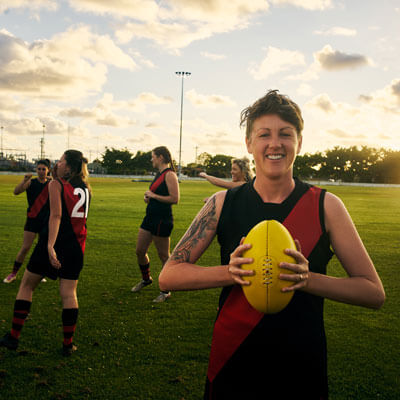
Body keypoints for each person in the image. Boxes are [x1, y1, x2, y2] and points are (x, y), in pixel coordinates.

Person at [159, 90, 385, 399]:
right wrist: (231, 272)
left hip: (300, 363)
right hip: (232, 359)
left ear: (299, 143)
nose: (275, 143)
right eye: (264, 134)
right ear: (249, 144)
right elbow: (169, 275)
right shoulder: (222, 203)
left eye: (286, 134)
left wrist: (307, 279)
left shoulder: (326, 205)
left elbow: (373, 292)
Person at [0, 150, 91, 356]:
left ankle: (13, 337)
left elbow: (56, 216)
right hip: (76, 246)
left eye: (60, 161)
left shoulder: (56, 184)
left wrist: (50, 246)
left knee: (26, 285)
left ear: (68, 167)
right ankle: (68, 345)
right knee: (69, 294)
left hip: (54, 243)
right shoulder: (86, 187)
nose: (56, 164)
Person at [131, 146, 180, 303]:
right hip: (149, 218)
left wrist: (154, 195)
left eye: (153, 156)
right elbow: (157, 194)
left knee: (163, 255)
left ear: (160, 157)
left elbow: (174, 199)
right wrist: (148, 197)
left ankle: (166, 290)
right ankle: (146, 279)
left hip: (162, 220)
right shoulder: (158, 174)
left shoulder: (170, 174)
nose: (151, 159)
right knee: (140, 251)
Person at [3, 159, 51, 284]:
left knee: (43, 248)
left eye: (43, 169)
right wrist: (24, 180)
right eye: (39, 169)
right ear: (36, 170)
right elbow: (16, 191)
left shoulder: (51, 184)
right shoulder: (31, 182)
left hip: (46, 221)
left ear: (48, 170)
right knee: (25, 248)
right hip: (32, 219)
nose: (41, 171)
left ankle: (39, 274)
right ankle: (13, 273)